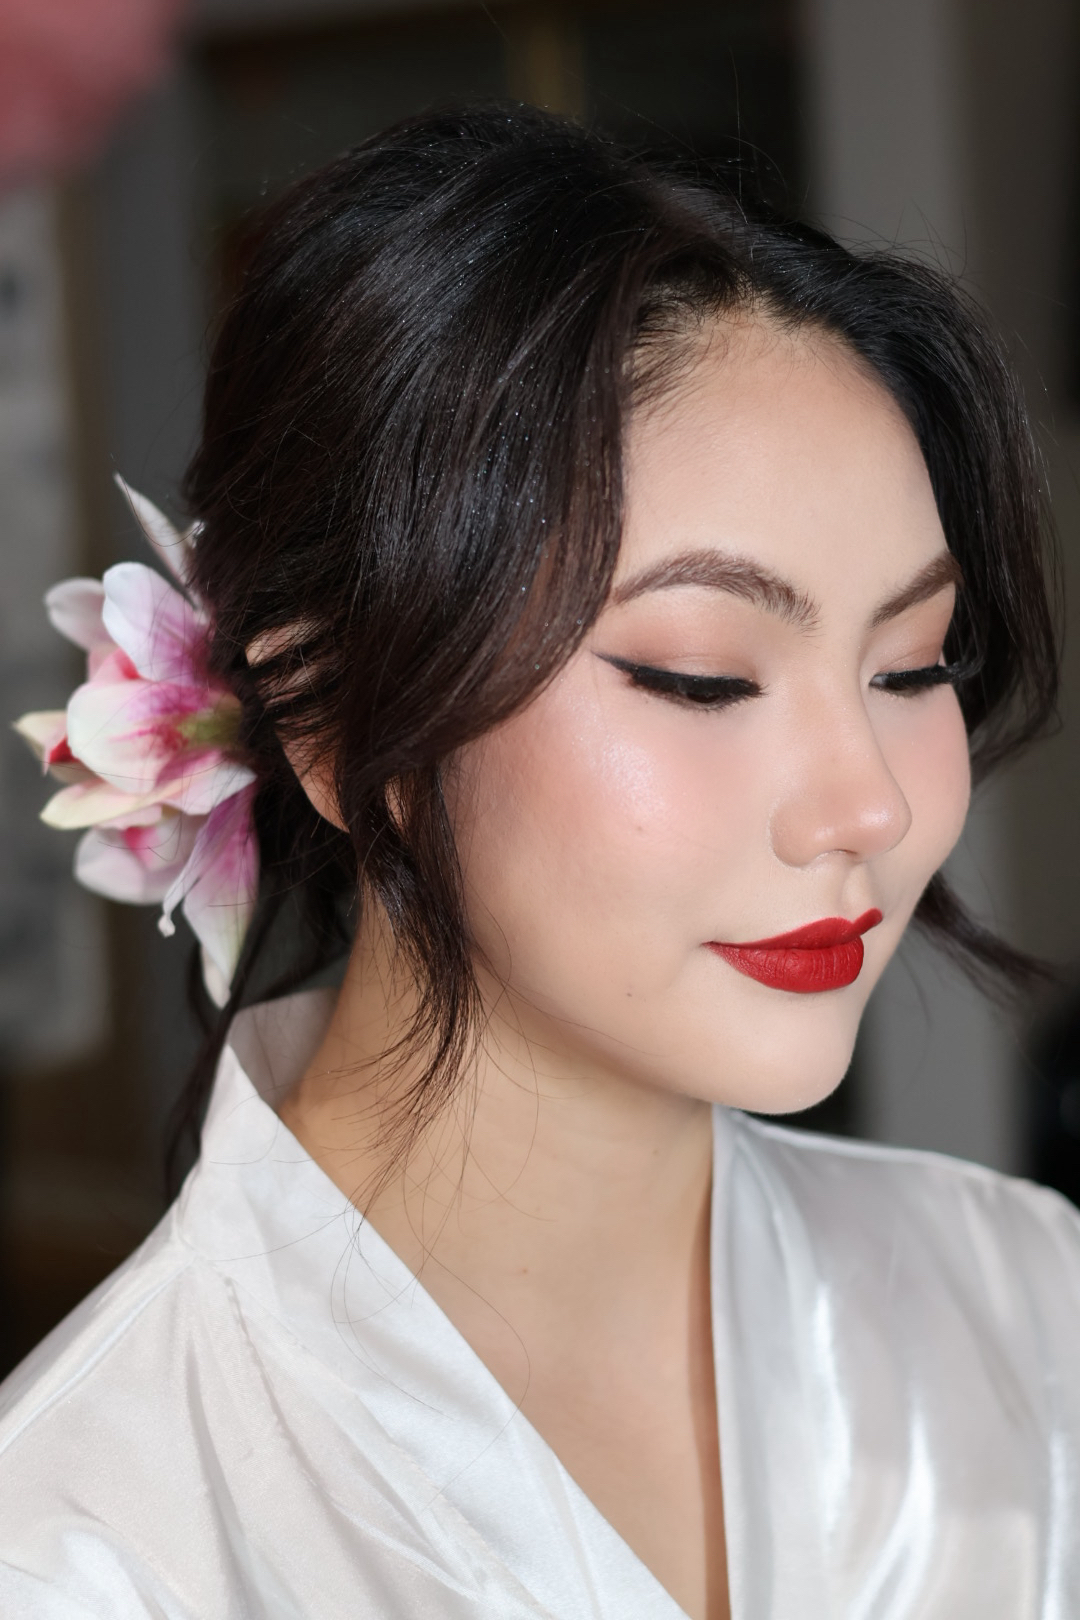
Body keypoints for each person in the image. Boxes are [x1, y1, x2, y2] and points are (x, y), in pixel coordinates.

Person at [1, 103, 1077, 1620]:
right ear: (332, 718)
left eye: (913, 663)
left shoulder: (1024, 1307)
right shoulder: (82, 1546)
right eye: (703, 676)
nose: (870, 807)